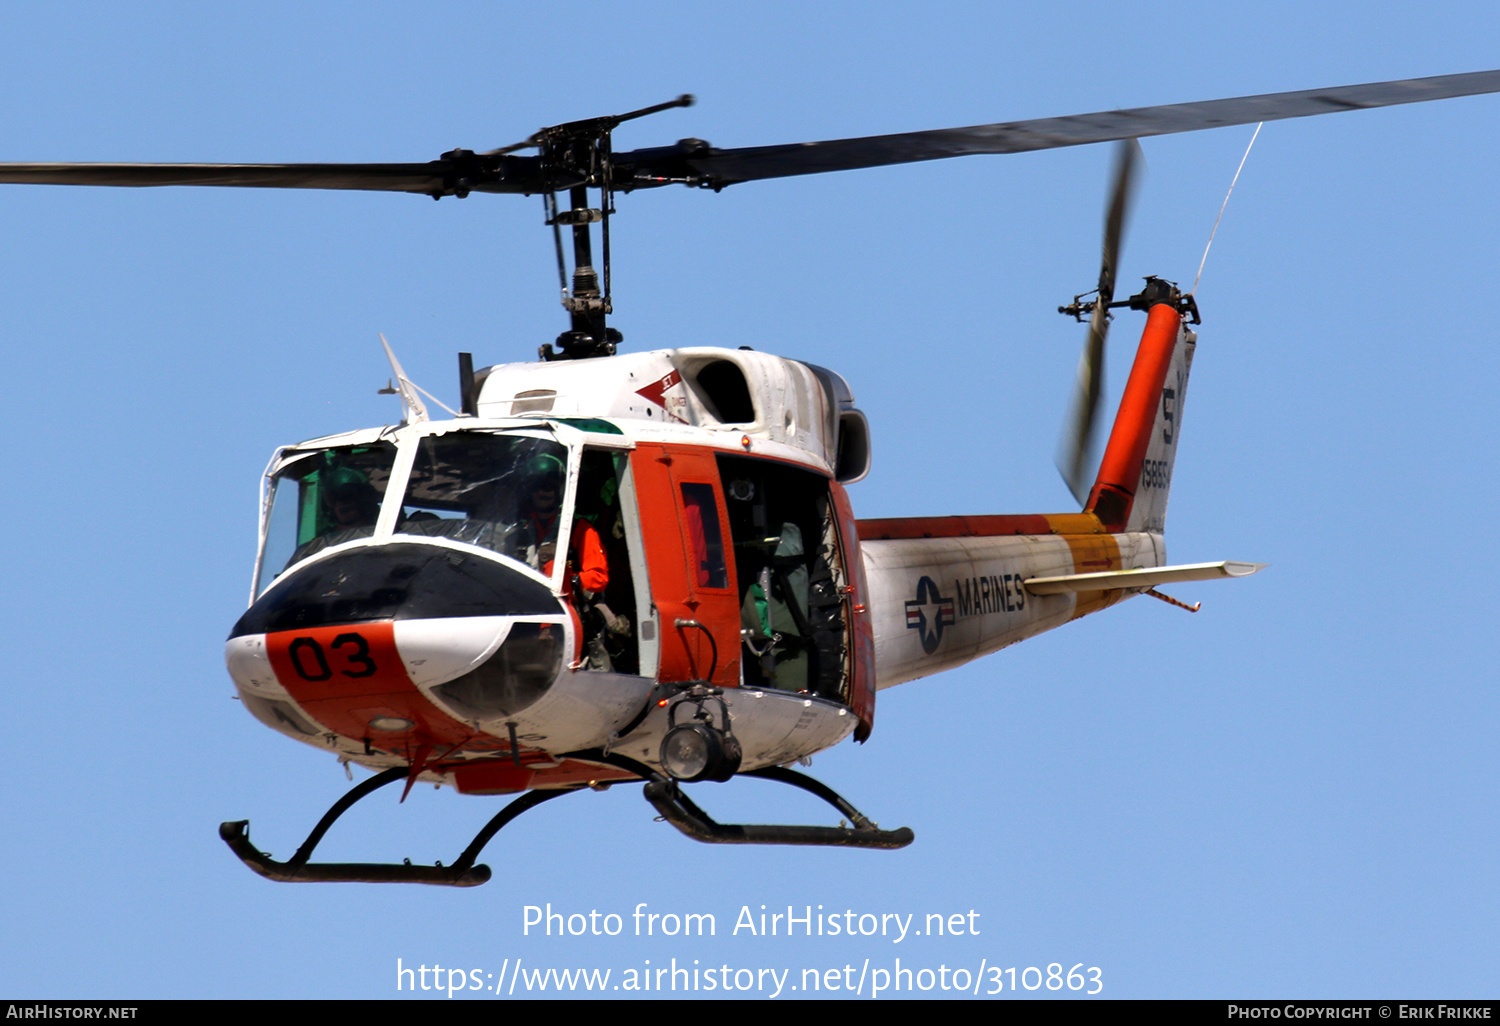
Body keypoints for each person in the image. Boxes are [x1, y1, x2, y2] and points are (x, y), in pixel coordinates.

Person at [514, 453, 608, 594]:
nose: (541, 492)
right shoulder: (519, 531)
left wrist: (567, 580)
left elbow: (598, 578)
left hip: (566, 607)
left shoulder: (579, 529)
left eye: (547, 487)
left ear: (560, 490)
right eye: (536, 487)